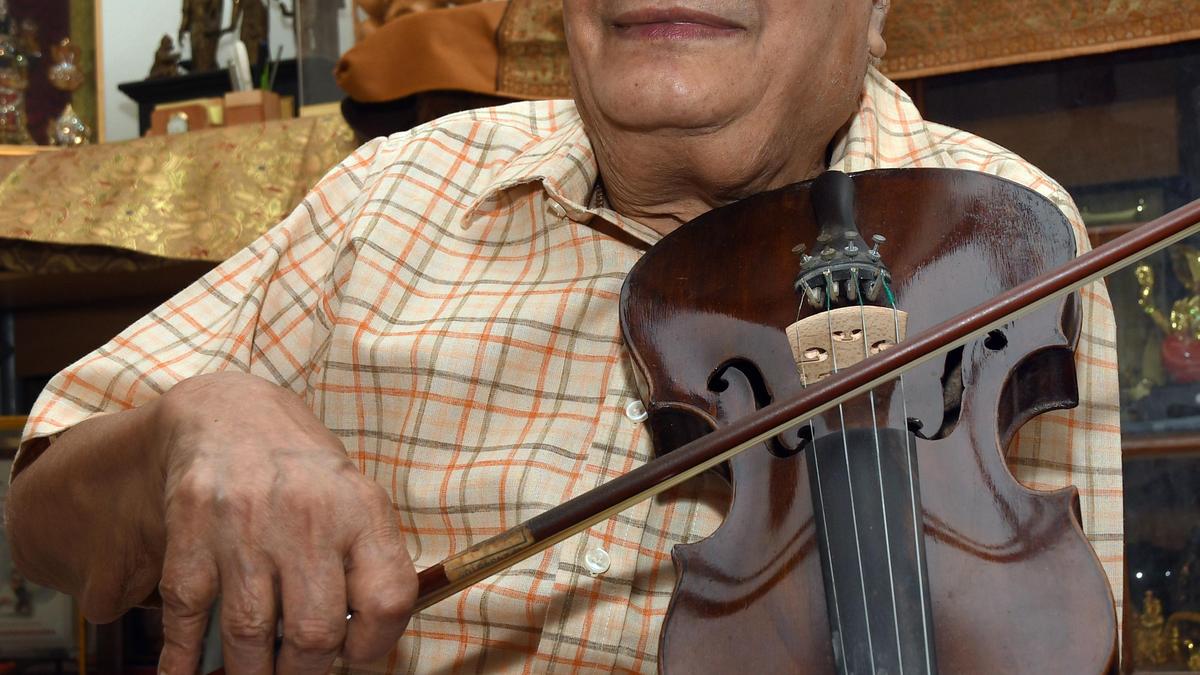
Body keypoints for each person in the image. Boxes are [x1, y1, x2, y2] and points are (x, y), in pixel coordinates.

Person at [6, 1, 1122, 673]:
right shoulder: (388, 200)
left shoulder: (999, 236)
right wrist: (189, 427)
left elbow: (1044, 623)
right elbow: (38, 513)